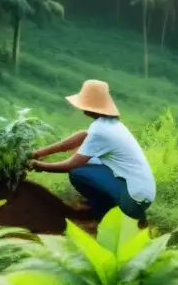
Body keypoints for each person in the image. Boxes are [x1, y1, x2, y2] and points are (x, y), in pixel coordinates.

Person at [30, 79, 155, 223]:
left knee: (78, 172)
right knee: (86, 163)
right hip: (142, 192)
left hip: (133, 200)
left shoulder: (101, 131)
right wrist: (39, 153)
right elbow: (82, 136)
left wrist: (39, 165)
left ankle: (108, 211)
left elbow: (72, 164)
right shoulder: (109, 124)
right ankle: (104, 207)